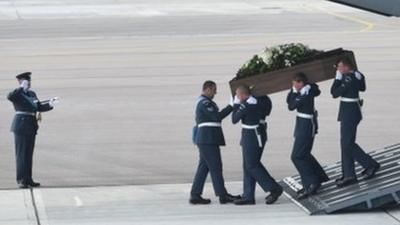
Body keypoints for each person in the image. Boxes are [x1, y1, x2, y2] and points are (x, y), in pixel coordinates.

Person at [331, 58, 380, 188]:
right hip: (351, 111)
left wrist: (337, 78)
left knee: (347, 143)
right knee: (345, 143)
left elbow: (334, 93)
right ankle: (348, 174)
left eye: (340, 67)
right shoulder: (357, 75)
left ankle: (370, 164)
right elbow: (362, 87)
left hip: (349, 112)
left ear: (347, 67)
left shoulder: (348, 77)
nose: (339, 69)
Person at [190, 80, 240, 204]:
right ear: (207, 89)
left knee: (204, 167)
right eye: (214, 90)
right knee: (216, 167)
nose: (215, 92)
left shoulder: (205, 102)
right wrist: (231, 106)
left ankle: (195, 195)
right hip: (208, 139)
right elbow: (217, 117)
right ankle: (222, 195)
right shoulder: (204, 103)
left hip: (206, 139)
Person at [232, 85, 282, 205]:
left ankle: (274, 188)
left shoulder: (247, 105)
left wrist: (236, 104)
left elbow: (234, 119)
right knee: (248, 165)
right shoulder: (258, 101)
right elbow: (267, 109)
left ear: (243, 95)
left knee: (252, 165)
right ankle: (248, 195)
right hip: (252, 134)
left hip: (252, 136)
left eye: (238, 95)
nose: (237, 97)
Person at [7, 72, 59, 188]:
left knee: (28, 154)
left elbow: (38, 106)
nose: (29, 83)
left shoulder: (31, 94)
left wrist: (50, 104)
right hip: (20, 125)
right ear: (20, 82)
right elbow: (10, 97)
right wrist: (20, 88)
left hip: (31, 125)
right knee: (21, 154)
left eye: (29, 81)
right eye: (26, 81)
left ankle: (28, 179)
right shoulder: (17, 94)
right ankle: (21, 180)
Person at [286, 73, 329, 199]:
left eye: (295, 84)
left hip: (306, 126)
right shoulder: (306, 90)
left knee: (297, 156)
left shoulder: (305, 94)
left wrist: (298, 91)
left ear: (300, 83)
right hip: (303, 124)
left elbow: (291, 106)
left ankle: (311, 182)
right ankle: (318, 177)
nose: (293, 86)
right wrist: (295, 90)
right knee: (304, 153)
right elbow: (289, 100)